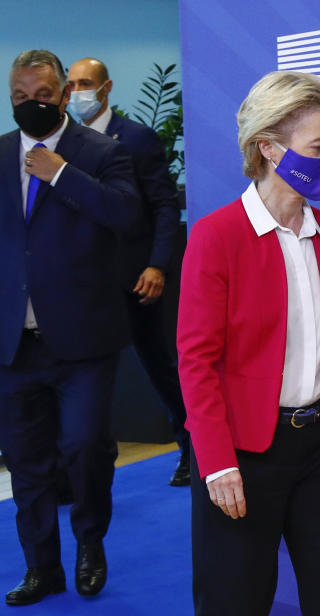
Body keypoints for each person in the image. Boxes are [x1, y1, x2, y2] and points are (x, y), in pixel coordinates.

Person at [0, 49, 140, 606]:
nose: (31, 105)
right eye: (20, 98)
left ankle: (90, 546)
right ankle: (40, 567)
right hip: (13, 341)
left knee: (83, 448)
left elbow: (128, 218)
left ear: (61, 95)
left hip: (83, 339)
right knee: (25, 460)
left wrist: (63, 177)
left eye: (42, 96)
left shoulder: (102, 153)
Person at [177, 71, 320, 616]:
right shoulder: (216, 236)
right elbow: (195, 359)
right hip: (245, 454)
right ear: (269, 148)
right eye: (319, 148)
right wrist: (215, 460)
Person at [66, 57, 190, 486]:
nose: (77, 91)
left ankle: (191, 447)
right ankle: (86, 463)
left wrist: (158, 263)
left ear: (106, 88)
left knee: (161, 362)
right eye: (72, 84)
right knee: (85, 373)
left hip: (138, 274)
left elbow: (162, 205)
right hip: (85, 277)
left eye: (85, 83)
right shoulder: (64, 142)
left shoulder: (136, 138)